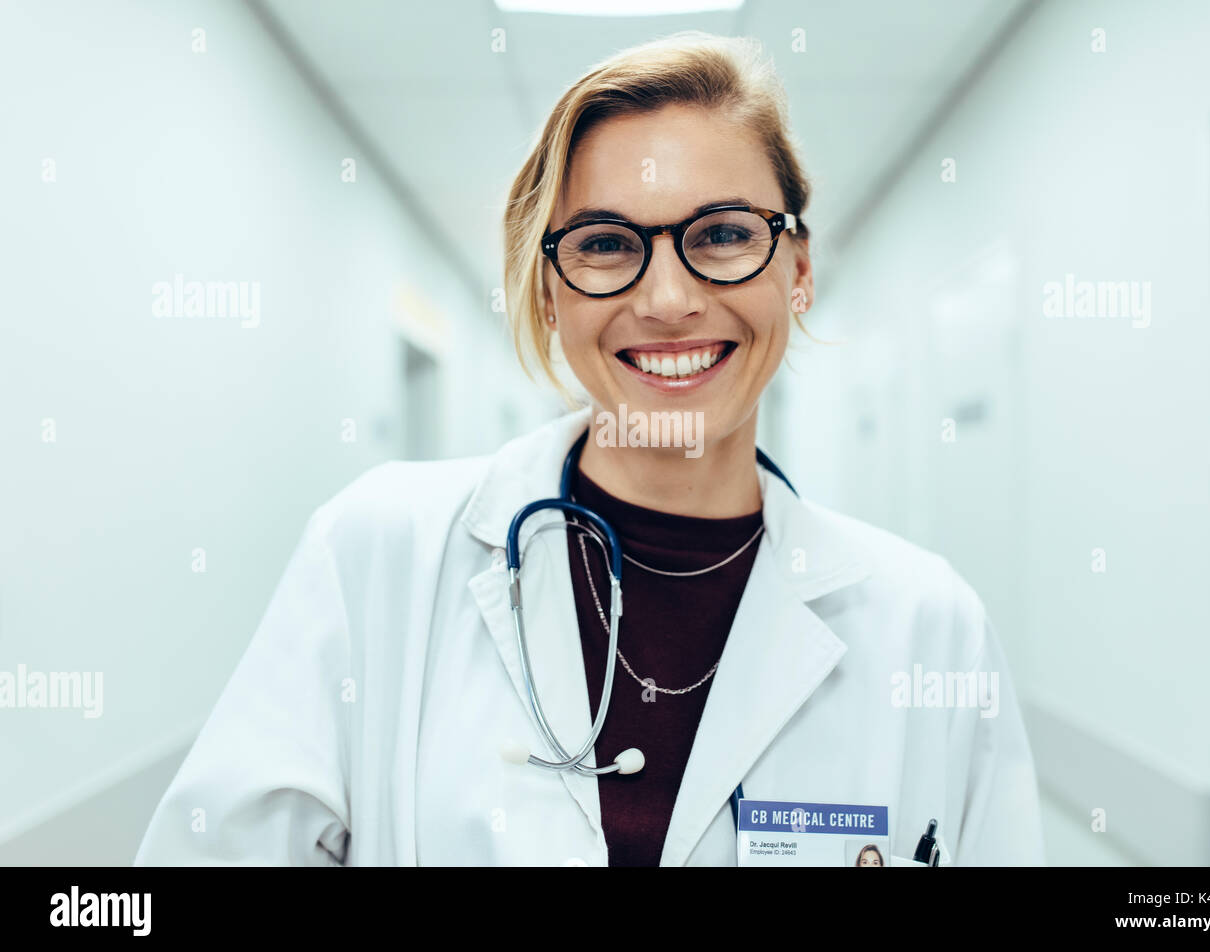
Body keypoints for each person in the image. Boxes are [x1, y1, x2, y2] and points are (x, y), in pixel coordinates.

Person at [135, 31, 1045, 867]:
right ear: (546, 297)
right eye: (608, 244)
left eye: (723, 234)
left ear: (797, 271)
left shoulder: (931, 628)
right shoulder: (377, 557)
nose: (668, 298)